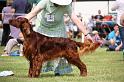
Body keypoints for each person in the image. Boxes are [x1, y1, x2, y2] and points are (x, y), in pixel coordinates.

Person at [24, 0, 92, 76]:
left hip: (58, 30)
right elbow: (33, 13)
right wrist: (22, 21)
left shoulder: (66, 6)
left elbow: (76, 20)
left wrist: (86, 34)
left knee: (66, 54)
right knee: (37, 55)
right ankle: (34, 72)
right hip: (42, 30)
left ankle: (60, 71)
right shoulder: (45, 2)